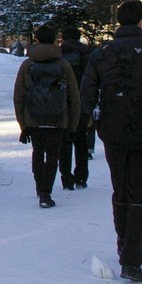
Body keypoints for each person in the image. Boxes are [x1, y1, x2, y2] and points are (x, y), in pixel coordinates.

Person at [80, 0, 142, 283]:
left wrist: (98, 121)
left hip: (112, 132)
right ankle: (132, 260)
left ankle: (123, 244)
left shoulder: (102, 53)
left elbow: (87, 90)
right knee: (140, 193)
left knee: (120, 189)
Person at [13, 24, 80, 209]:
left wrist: (23, 124)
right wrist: (72, 125)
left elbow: (18, 96)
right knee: (52, 155)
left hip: (33, 118)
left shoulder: (28, 65)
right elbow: (73, 97)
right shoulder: (63, 65)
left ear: (36, 40)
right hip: (58, 118)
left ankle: (39, 186)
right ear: (55, 40)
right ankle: (46, 193)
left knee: (37, 153)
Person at [58, 25, 93, 190]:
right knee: (81, 141)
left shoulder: (59, 54)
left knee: (64, 142)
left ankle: (66, 178)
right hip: (82, 100)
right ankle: (81, 177)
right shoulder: (87, 54)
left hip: (62, 103)